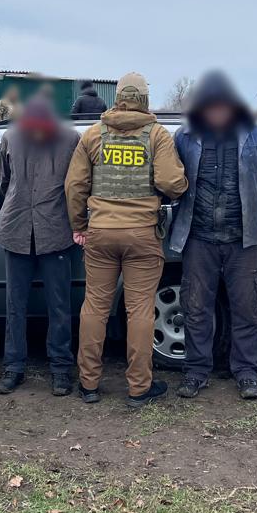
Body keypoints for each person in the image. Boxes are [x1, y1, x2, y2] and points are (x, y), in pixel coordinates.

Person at [65, 72, 188, 407]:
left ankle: (88, 384)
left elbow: (74, 186)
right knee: (140, 311)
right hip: (142, 236)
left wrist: (80, 224)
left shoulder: (93, 134)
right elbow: (172, 184)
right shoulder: (157, 136)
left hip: (100, 233)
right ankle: (139, 388)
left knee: (94, 307)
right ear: (145, 99)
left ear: (118, 97)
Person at [168, 70, 257, 400]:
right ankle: (196, 370)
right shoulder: (184, 137)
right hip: (198, 237)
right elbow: (175, 181)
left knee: (247, 310)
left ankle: (246, 373)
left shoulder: (256, 136)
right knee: (196, 309)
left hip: (243, 239)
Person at [0, 94, 81, 396]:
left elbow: (4, 183)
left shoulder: (68, 138)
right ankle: (39, 369)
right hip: (29, 229)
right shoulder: (14, 137)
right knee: (47, 305)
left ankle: (41, 369)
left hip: (49, 230)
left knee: (30, 305)